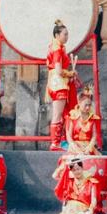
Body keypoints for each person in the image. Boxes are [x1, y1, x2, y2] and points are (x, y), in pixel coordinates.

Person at [46, 21, 78, 151]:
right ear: (57, 35)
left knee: (60, 113)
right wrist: (70, 73)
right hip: (58, 83)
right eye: (64, 34)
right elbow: (59, 70)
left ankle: (59, 142)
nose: (67, 36)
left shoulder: (54, 47)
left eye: (67, 34)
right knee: (58, 114)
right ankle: (55, 143)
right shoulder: (57, 49)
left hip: (56, 82)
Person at [65, 90, 101, 154]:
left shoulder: (92, 118)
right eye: (85, 105)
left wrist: (89, 147)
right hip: (75, 146)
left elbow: (94, 135)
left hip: (88, 146)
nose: (87, 107)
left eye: (89, 105)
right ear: (79, 103)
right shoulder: (73, 116)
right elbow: (69, 136)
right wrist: (74, 147)